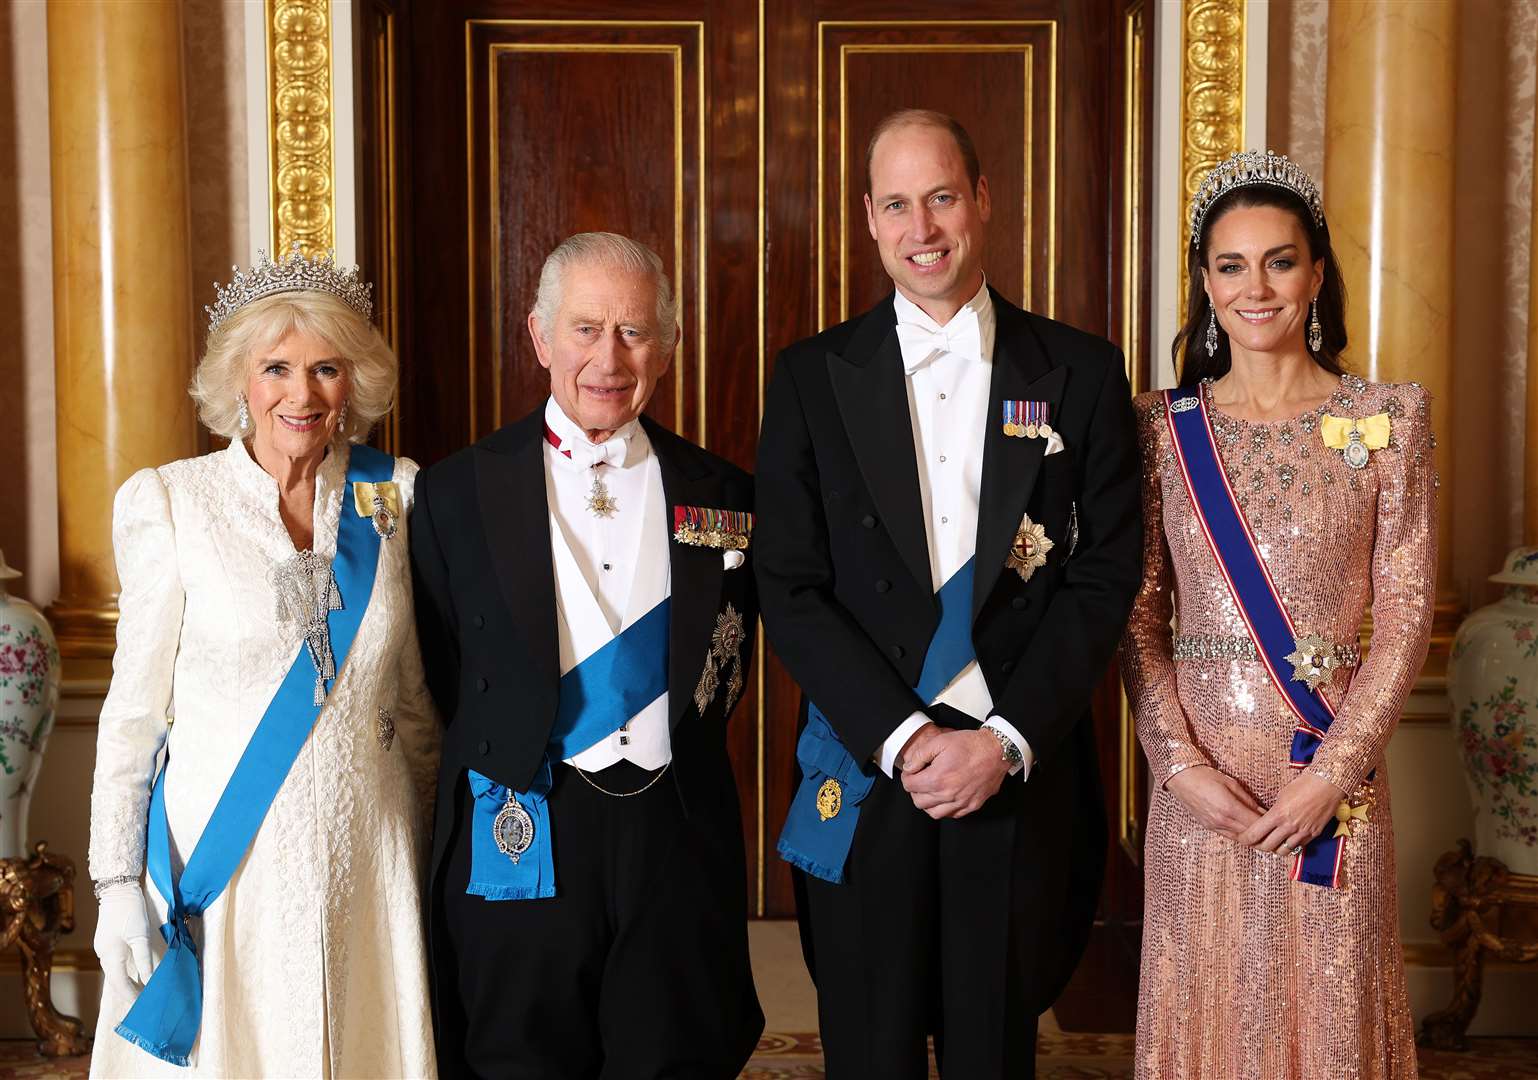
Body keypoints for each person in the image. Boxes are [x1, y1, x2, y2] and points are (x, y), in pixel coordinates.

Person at [756, 109, 1141, 1079]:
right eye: (896, 204)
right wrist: (908, 739)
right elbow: (788, 584)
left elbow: (1102, 575)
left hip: (1011, 766)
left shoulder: (1080, 372)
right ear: (868, 219)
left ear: (980, 200)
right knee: (868, 1053)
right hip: (871, 759)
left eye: (939, 197)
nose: (920, 227)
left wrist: (1002, 741)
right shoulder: (809, 376)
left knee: (992, 1052)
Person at [413, 232, 764, 1079]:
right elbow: (436, 668)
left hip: (673, 834)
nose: (609, 358)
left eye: (635, 332)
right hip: (523, 823)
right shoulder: (454, 490)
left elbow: (728, 666)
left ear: (670, 347)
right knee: (518, 1059)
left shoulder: (726, 496)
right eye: (585, 329)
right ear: (538, 337)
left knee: (670, 1057)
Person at [87, 247, 439, 1076]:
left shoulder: (396, 497)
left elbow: (415, 698)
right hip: (226, 867)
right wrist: (112, 887)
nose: (302, 393)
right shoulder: (172, 502)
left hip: (369, 857)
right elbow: (133, 716)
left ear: (355, 382)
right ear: (238, 383)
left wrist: (427, 856)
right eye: (275, 367)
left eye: (326, 368)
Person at [1121, 150, 1433, 1078]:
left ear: (1317, 272)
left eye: (1280, 260)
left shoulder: (1390, 415)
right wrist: (1177, 768)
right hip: (1203, 787)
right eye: (1230, 265)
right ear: (1205, 283)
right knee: (1208, 1002)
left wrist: (1330, 777)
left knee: (1331, 1008)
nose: (1256, 288)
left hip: (1332, 779)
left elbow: (1410, 609)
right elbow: (1139, 614)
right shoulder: (1159, 428)